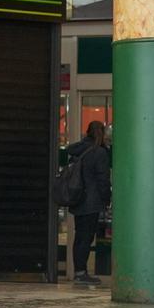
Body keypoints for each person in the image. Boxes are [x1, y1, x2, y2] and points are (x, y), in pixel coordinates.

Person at [65, 121, 111, 285]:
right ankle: (81, 273)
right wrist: (107, 199)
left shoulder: (78, 149)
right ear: (102, 133)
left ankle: (78, 270)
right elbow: (103, 180)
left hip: (77, 199)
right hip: (92, 201)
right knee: (86, 237)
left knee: (79, 237)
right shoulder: (99, 153)